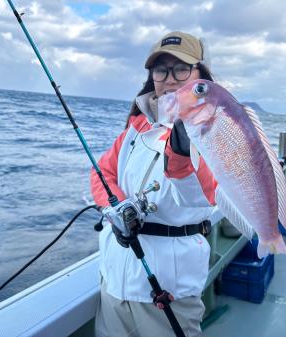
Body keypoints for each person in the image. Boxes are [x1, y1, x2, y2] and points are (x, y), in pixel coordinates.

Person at [90, 31, 217, 337]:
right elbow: (101, 174)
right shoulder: (137, 126)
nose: (170, 79)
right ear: (152, 77)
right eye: (161, 70)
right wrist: (118, 207)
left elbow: (204, 197)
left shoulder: (214, 128)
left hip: (167, 288)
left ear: (201, 74)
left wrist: (180, 155)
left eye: (181, 68)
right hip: (115, 279)